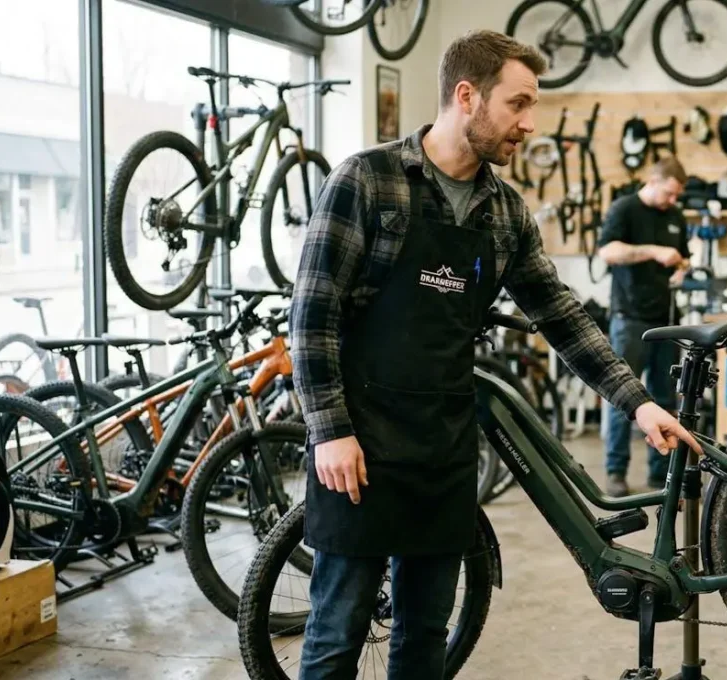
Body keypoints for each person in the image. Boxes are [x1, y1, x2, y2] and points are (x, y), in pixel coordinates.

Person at [288, 29, 699, 680]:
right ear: (466, 96)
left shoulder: (504, 212)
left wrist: (639, 403)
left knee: (424, 638)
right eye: (518, 104)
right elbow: (313, 317)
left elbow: (562, 316)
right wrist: (330, 430)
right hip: (359, 448)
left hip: (444, 447)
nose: (529, 124)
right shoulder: (367, 180)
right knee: (337, 636)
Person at [596, 157, 690, 496]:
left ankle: (660, 473)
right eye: (669, 193)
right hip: (629, 319)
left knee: (664, 398)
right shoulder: (624, 209)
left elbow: (683, 258)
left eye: (677, 195)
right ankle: (616, 471)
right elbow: (608, 252)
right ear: (652, 181)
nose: (672, 201)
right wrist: (653, 251)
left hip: (665, 321)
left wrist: (682, 269)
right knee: (623, 396)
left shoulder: (676, 216)